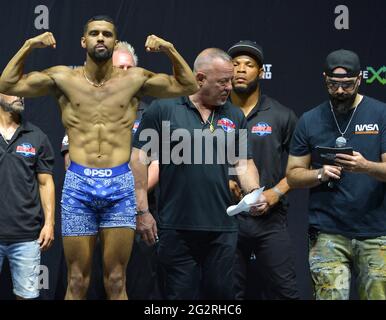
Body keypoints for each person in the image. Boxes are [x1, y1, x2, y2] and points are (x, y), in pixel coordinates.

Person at [0, 15, 198, 300]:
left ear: (115, 41)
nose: (101, 38)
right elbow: (7, 82)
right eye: (94, 33)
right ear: (84, 41)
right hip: (79, 186)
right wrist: (30, 45)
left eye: (107, 34)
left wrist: (169, 49)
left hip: (119, 186)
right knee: (77, 281)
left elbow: (188, 86)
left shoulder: (134, 80)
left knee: (117, 280)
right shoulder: (63, 78)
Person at [131, 48, 267, 300]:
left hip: (222, 229)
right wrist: (142, 210)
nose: (230, 87)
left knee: (222, 298)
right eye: (223, 81)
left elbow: (244, 163)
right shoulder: (164, 110)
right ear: (200, 79)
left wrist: (253, 192)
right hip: (176, 229)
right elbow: (138, 161)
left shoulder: (234, 115)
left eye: (230, 80)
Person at [59, 40, 161, 299]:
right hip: (86, 207)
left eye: (129, 67)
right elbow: (71, 161)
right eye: (119, 67)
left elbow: (155, 165)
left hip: (132, 210)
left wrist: (127, 196)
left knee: (120, 282)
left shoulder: (150, 114)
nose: (125, 72)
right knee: (80, 282)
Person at [286, 49, 386, 300]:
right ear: (324, 79)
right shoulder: (309, 120)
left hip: (375, 232)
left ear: (359, 79)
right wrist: (320, 173)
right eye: (333, 84)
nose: (340, 91)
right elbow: (292, 176)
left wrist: (366, 167)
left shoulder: (381, 114)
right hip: (327, 233)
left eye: (347, 85)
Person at [227, 40, 299, 299]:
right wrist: (222, 183)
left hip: (270, 220)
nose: (241, 69)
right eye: (235, 64)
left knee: (285, 292)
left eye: (249, 64)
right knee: (227, 294)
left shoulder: (282, 116)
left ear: (261, 72)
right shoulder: (214, 114)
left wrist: (275, 193)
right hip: (226, 221)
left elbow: (300, 166)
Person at [0, 93, 55, 299]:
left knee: (27, 296)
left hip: (26, 237)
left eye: (22, 91)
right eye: (13, 90)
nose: (20, 96)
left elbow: (45, 182)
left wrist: (49, 223)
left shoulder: (36, 136)